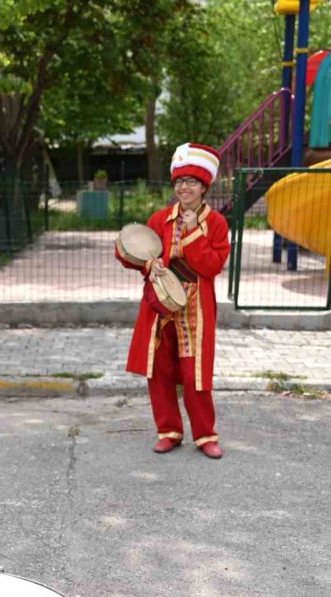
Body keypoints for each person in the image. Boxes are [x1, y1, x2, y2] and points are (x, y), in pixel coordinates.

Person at [116, 142, 230, 459]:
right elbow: (130, 253)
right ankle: (169, 431)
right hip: (159, 308)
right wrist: (148, 264)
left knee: (195, 373)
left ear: (204, 186)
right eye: (179, 182)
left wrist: (194, 232)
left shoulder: (217, 224)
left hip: (196, 309)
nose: (184, 188)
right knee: (160, 370)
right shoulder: (160, 219)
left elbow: (211, 266)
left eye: (191, 181)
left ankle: (206, 435)